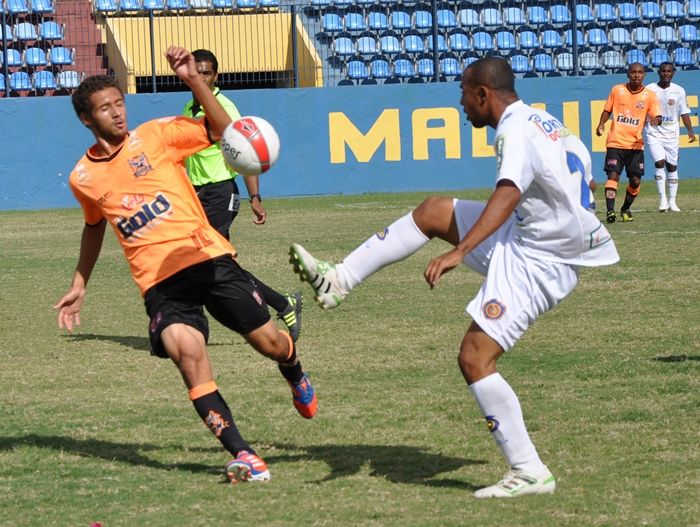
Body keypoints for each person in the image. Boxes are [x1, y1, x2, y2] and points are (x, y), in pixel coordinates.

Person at [289, 57, 620, 498]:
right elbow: (579, 167)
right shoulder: (542, 119)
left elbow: (508, 190)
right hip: (526, 236)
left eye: (464, 93)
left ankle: (529, 471)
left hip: (540, 260)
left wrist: (460, 251)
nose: (461, 103)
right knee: (433, 212)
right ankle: (339, 280)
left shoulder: (513, 130)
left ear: (483, 94)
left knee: (474, 358)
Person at [53, 47, 317, 485]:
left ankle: (295, 373)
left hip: (206, 258)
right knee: (187, 354)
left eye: (120, 104)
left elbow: (222, 131)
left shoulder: (156, 135)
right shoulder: (83, 178)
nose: (117, 114)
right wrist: (80, 283)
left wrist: (195, 80)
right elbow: (94, 226)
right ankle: (245, 456)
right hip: (159, 283)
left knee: (272, 344)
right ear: (86, 118)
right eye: (105, 108)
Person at [183, 49, 303, 342]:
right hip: (197, 198)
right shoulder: (189, 107)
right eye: (196, 72)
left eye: (207, 72)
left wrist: (255, 197)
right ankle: (282, 302)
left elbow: (247, 154)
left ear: (216, 76)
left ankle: (196, 326)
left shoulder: (223, 107)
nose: (202, 77)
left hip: (220, 193)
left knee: (211, 263)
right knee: (214, 264)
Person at [595, 62, 662, 224]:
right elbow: (607, 110)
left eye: (640, 72)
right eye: (633, 72)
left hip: (636, 145)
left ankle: (625, 208)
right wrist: (601, 124)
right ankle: (610, 211)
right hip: (615, 142)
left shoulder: (650, 95)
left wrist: (655, 120)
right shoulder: (617, 90)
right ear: (628, 74)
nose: (636, 75)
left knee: (635, 181)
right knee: (613, 175)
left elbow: (658, 117)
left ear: (644, 75)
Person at [644, 62, 696, 212]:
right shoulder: (649, 89)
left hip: (672, 134)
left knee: (672, 166)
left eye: (669, 71)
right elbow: (642, 110)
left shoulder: (679, 91)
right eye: (663, 71)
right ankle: (662, 200)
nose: (666, 73)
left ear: (673, 73)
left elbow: (684, 112)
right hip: (653, 132)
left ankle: (673, 202)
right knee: (659, 162)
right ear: (658, 72)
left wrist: (690, 131)